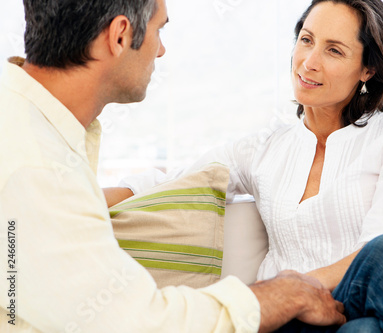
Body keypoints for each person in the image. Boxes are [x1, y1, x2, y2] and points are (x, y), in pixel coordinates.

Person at [118, 0, 383, 332]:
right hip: (297, 323)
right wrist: (73, 196)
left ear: (367, 69)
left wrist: (290, 286)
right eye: (306, 40)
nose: (309, 62)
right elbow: (170, 181)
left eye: (334, 51)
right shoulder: (263, 148)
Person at [0, 0, 348, 332]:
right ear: (120, 35)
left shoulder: (27, 129)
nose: (161, 50)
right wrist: (279, 295)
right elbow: (137, 323)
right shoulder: (36, 168)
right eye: (158, 30)